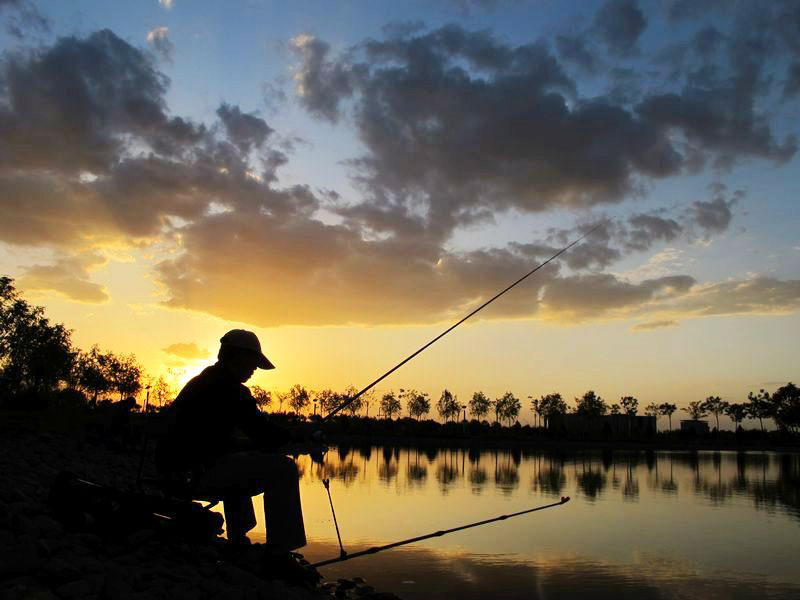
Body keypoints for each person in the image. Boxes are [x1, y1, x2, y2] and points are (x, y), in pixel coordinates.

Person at [155, 329, 306, 550]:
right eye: (253, 361)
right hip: (190, 475)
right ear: (238, 356)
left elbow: (211, 441)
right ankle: (281, 549)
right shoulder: (231, 390)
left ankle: (238, 537)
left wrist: (253, 446)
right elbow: (264, 435)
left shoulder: (201, 382)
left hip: (175, 471)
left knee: (243, 459)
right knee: (284, 468)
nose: (255, 369)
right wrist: (296, 435)